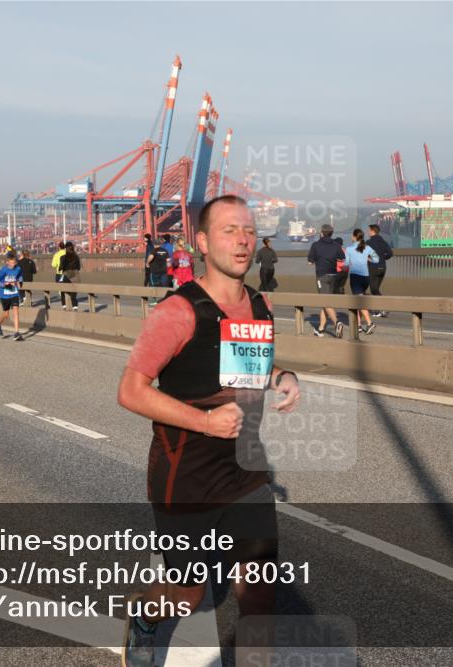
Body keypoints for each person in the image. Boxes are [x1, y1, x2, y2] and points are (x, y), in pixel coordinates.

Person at [117, 195, 301, 666]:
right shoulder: (178, 312)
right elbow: (131, 391)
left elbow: (243, 368)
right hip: (186, 476)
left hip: (245, 472)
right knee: (187, 594)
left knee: (259, 595)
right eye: (229, 230)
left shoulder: (259, 305)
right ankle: (145, 618)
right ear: (201, 242)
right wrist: (204, 421)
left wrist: (280, 376)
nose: (243, 240)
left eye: (249, 230)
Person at [306, 224, 346, 337]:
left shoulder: (316, 245)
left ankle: (337, 323)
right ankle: (321, 329)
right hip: (334, 276)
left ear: (321, 233)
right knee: (327, 302)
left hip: (322, 276)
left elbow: (310, 262)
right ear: (331, 233)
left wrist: (315, 260)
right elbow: (342, 257)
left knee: (325, 302)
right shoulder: (336, 245)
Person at [345, 228, 380, 335]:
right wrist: (368, 259)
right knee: (358, 300)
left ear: (355, 236)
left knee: (359, 301)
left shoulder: (349, 249)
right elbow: (376, 259)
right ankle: (359, 325)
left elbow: (346, 263)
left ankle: (369, 323)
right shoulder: (367, 247)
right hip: (365, 277)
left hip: (355, 277)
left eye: (352, 235)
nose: (351, 237)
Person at [0, 251, 24, 341]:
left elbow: (20, 275)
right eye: (11, 262)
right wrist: (4, 285)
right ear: (7, 262)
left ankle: (16, 333)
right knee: (6, 314)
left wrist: (20, 281)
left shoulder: (18, 268)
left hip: (14, 293)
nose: (13, 264)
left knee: (16, 311)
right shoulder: (3, 270)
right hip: (4, 294)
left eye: (14, 262)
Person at [366, 223, 393, 318]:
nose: (368, 232)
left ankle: (383, 308)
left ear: (372, 231)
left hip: (373, 268)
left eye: (369, 230)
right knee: (376, 289)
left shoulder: (369, 242)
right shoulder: (383, 242)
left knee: (374, 289)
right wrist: (382, 258)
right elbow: (390, 253)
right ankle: (378, 310)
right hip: (382, 268)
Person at [145, 237, 171, 305]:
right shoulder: (165, 250)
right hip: (164, 271)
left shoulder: (154, 250)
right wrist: (168, 266)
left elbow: (151, 257)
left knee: (153, 284)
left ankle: (154, 300)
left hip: (154, 271)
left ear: (154, 245)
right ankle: (164, 299)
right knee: (164, 285)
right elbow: (168, 261)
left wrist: (147, 263)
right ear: (160, 244)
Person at [58, 241, 81, 310]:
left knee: (61, 288)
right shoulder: (76, 257)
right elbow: (78, 267)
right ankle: (75, 306)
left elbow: (61, 267)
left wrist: (60, 268)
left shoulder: (63, 257)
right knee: (73, 292)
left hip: (66, 276)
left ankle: (64, 305)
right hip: (75, 276)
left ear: (66, 249)